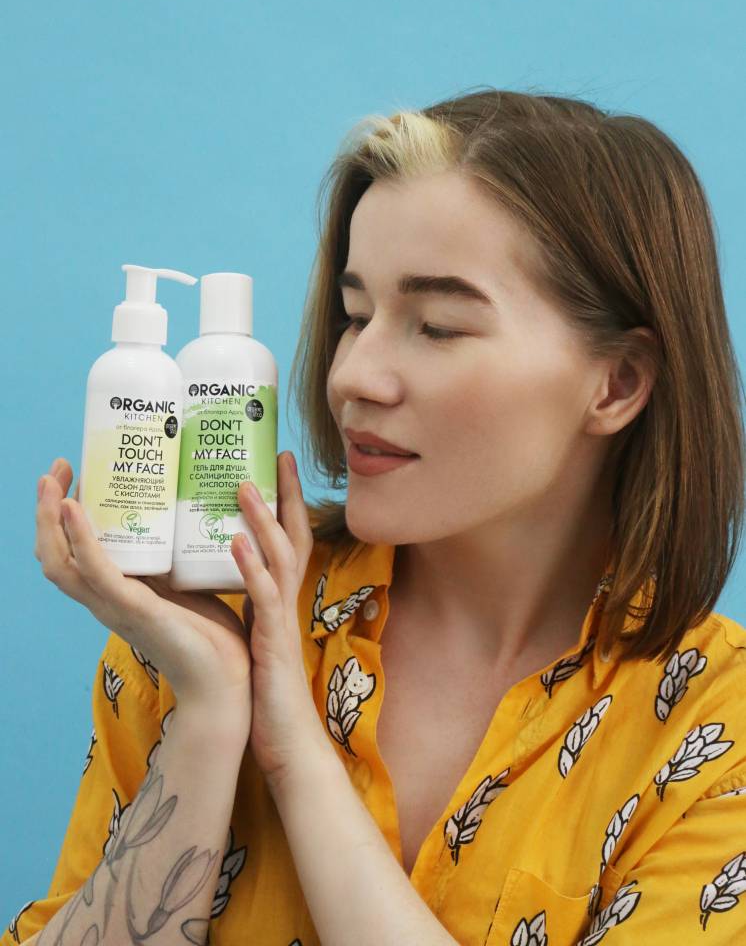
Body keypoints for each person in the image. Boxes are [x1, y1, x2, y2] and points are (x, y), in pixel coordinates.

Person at [6, 88, 746, 946]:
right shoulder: (203, 617)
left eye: (437, 327)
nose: (353, 375)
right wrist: (209, 717)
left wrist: (294, 755)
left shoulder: (711, 729)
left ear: (617, 384)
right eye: (355, 316)